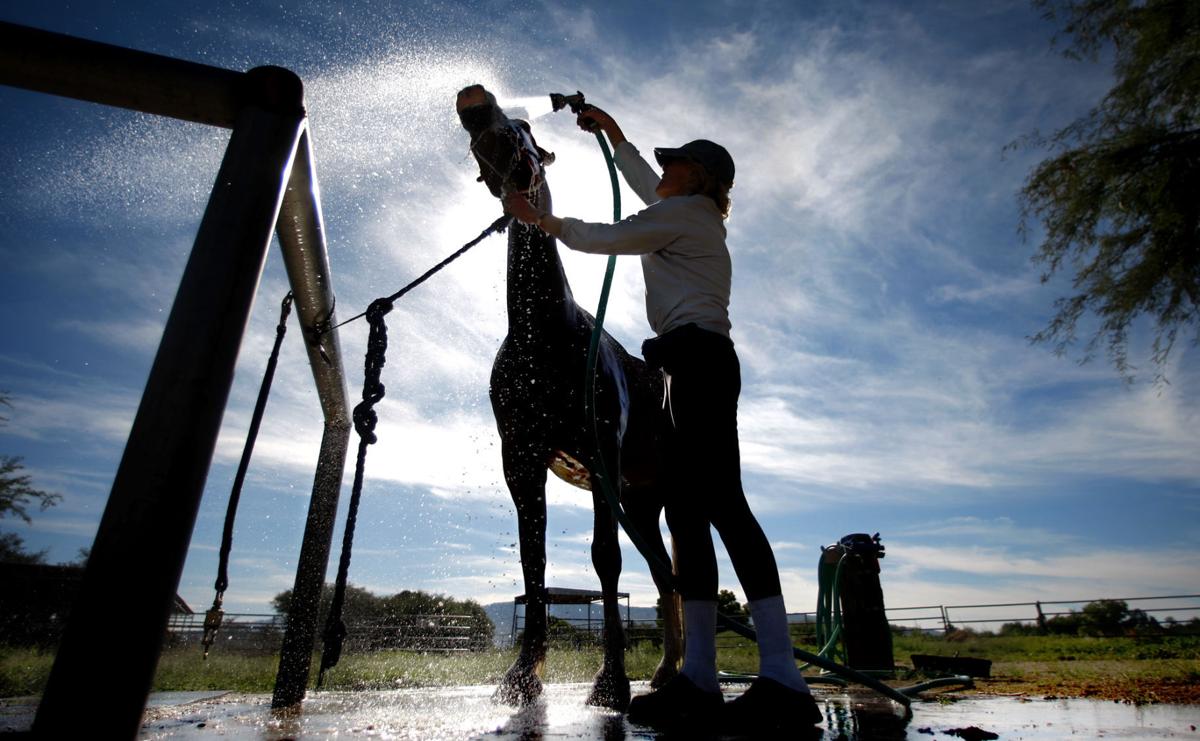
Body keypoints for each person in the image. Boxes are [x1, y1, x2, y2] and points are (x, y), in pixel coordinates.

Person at [504, 106, 822, 732]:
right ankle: (699, 680)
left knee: (724, 505)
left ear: (698, 177)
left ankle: (783, 677)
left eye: (674, 162)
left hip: (701, 362)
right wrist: (613, 135)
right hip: (682, 367)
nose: (663, 168)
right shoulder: (683, 207)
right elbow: (642, 182)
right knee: (686, 514)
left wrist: (543, 221)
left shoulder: (685, 216)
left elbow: (609, 236)